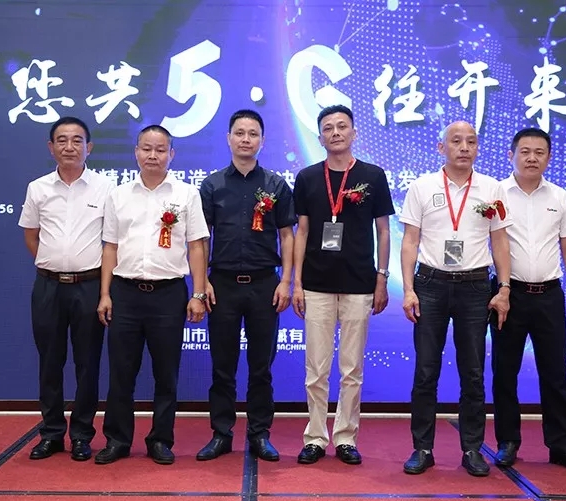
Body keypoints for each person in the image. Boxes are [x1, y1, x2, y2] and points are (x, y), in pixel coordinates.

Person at [399, 120, 512, 477]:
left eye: (471, 142)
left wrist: (504, 288)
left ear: (478, 148)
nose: (464, 148)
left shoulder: (492, 188)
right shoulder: (422, 186)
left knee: (473, 372)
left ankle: (472, 449)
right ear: (441, 147)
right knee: (426, 370)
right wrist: (408, 289)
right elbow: (410, 241)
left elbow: (500, 241)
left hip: (475, 287)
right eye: (456, 141)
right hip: (430, 284)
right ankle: (422, 448)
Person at [94, 125, 209, 466]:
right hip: (125, 292)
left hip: (168, 294)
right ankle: (117, 440)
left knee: (166, 373)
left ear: (171, 154)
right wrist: (105, 294)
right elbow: (110, 247)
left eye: (160, 150)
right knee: (121, 372)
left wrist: (198, 293)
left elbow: (197, 246)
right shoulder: (118, 195)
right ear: (136, 152)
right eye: (147, 148)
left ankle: (160, 439)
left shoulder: (187, 194)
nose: (153, 155)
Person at [292, 104, 394, 465]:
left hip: (359, 284)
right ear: (320, 137)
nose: (335, 133)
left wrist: (382, 277)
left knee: (352, 369)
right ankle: (316, 437)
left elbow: (384, 231)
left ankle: (347, 437)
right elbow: (302, 231)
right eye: (328, 128)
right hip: (316, 284)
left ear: (354, 132)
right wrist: (297, 283)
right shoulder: (307, 177)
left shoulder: (373, 175)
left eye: (341, 126)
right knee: (316, 369)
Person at [491, 127, 566, 473]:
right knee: (505, 370)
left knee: (555, 371)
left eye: (539, 152)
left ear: (548, 158)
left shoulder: (560, 197)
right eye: (525, 151)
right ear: (511, 155)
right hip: (508, 294)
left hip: (549, 295)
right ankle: (507, 442)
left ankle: (561, 444)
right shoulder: (495, 195)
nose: (532, 158)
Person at [196, 109, 296, 462]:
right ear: (229, 138)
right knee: (222, 366)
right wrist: (202, 282)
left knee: (261, 367)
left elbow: (287, 235)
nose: (245, 139)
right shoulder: (212, 185)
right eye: (239, 133)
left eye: (253, 134)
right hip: (221, 284)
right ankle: (221, 434)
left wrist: (286, 281)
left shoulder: (276, 185)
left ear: (262, 141)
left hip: (264, 284)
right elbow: (201, 238)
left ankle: (259, 433)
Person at [18, 116, 114, 462]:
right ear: (51, 147)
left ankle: (82, 435)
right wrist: (54, 263)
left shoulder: (106, 188)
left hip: (89, 286)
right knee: (50, 362)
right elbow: (31, 235)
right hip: (48, 286)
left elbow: (112, 242)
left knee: (88, 363)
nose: (69, 147)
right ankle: (52, 433)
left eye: (77, 140)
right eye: (62, 140)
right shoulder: (38, 188)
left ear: (89, 147)